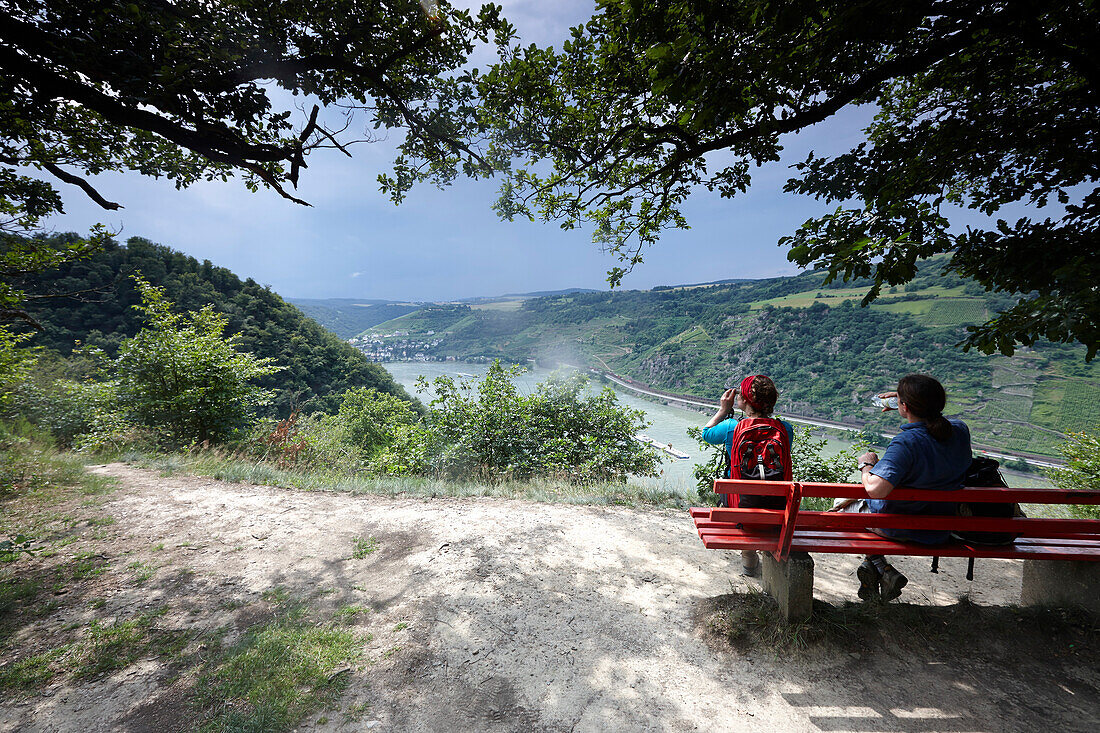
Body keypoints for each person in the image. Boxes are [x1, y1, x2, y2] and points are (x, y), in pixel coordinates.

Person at [836, 374, 972, 602]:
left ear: (905, 406)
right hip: (941, 526)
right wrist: (905, 402)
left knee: (840, 507)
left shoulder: (906, 443)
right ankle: (883, 571)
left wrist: (867, 465)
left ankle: (880, 566)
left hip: (902, 526)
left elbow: (875, 490)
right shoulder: (959, 431)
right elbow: (935, 424)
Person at [702, 374, 794, 577]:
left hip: (740, 507)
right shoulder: (785, 430)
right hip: (777, 506)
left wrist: (723, 410)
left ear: (743, 401)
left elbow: (706, 434)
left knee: (739, 492)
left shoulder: (731, 428)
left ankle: (749, 560)